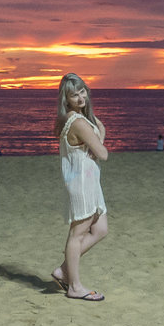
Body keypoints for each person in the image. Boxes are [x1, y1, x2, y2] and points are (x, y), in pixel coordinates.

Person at [50, 73, 109, 302]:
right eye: (74, 94)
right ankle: (74, 286)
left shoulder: (70, 119)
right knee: (77, 234)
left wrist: (96, 131)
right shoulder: (78, 122)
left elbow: (96, 147)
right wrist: (100, 133)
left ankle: (63, 270)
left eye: (82, 91)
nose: (80, 97)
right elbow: (102, 154)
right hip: (82, 182)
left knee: (101, 228)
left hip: (87, 179)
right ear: (66, 99)